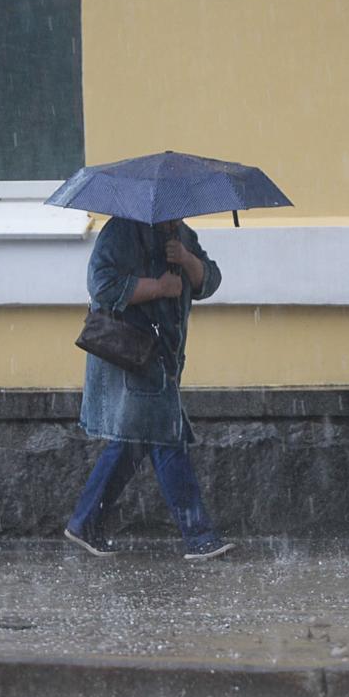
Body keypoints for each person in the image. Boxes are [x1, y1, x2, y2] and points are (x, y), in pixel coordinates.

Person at [65, 215, 233, 561]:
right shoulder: (121, 231)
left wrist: (187, 259)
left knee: (133, 441)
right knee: (167, 435)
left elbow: (209, 282)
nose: (177, 215)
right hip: (132, 354)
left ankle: (85, 522)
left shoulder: (182, 234)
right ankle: (199, 536)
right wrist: (157, 287)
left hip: (164, 357)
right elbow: (102, 286)